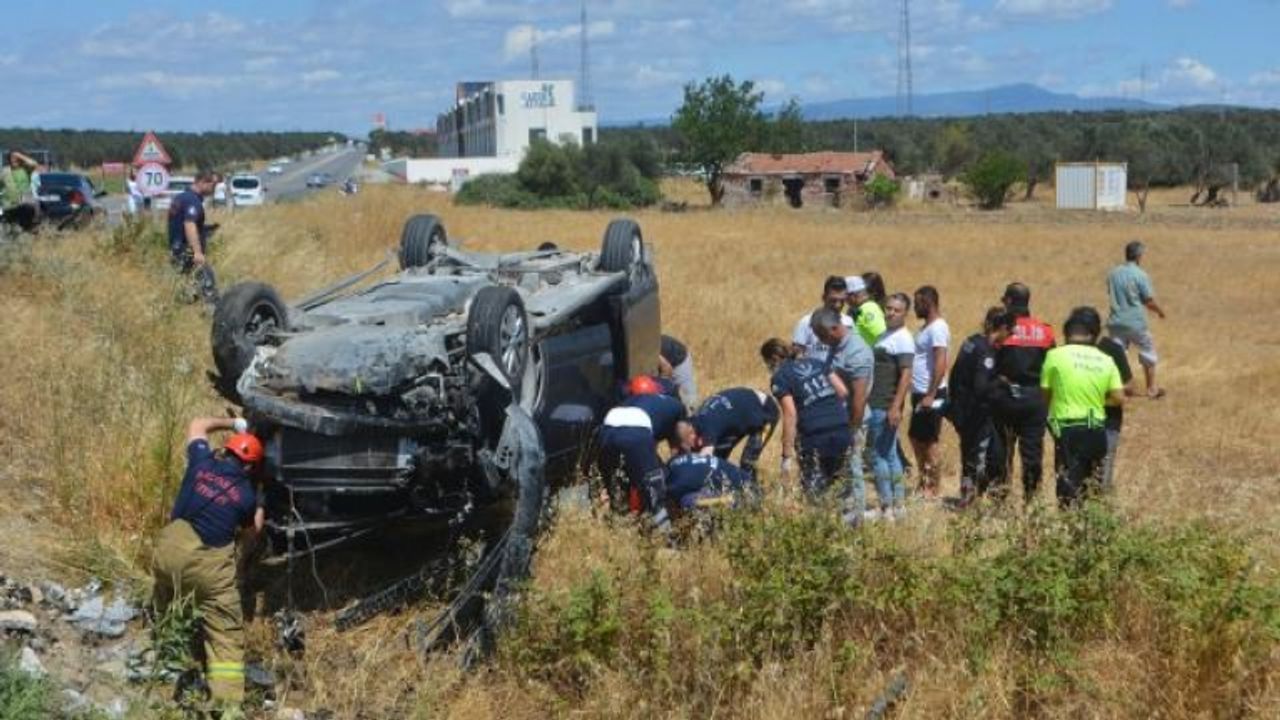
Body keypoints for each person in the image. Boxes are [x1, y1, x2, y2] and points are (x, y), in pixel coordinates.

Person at [152, 416, 264, 709]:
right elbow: (253, 532)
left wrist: (233, 422)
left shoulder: (201, 462)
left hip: (167, 553)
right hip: (207, 568)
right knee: (225, 632)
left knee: (166, 596)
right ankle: (226, 706)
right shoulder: (246, 496)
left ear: (225, 450)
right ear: (250, 468)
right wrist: (261, 502)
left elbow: (197, 425)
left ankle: (163, 660)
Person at [1041, 307, 1126, 506]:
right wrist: (1097, 400)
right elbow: (1119, 398)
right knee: (1093, 487)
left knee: (1068, 487)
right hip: (1096, 430)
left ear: (1067, 331)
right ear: (1094, 333)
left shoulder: (1054, 356)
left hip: (1067, 430)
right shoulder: (1106, 359)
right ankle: (1091, 521)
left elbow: (1045, 395)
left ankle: (1069, 522)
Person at [762, 338, 850, 502]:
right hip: (842, 427)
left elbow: (790, 414)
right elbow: (843, 391)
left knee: (815, 491)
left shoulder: (780, 377)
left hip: (814, 435)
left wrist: (786, 455)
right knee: (842, 486)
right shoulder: (817, 362)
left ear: (773, 359)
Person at [990, 282, 1055, 502]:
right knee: (1032, 455)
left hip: (1004, 398)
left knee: (1000, 452)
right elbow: (1052, 366)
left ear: (1009, 301)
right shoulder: (1045, 331)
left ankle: (999, 500)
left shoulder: (1002, 330)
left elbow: (989, 362)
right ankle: (1031, 501)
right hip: (1035, 400)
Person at [597, 375, 687, 530]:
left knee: (616, 489)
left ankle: (618, 530)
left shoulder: (630, 401)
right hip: (637, 432)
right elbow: (677, 451)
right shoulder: (675, 407)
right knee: (654, 491)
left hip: (607, 428)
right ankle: (665, 537)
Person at [812, 307, 874, 526]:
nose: (820, 341)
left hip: (853, 420)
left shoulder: (857, 353)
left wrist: (852, 429)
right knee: (841, 467)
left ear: (834, 329)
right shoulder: (837, 345)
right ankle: (843, 511)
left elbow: (859, 398)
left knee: (853, 466)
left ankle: (856, 517)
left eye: (822, 336)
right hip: (837, 418)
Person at [946, 307, 1014, 504]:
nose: (1010, 336)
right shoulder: (986, 352)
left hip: (963, 411)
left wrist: (954, 406)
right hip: (976, 414)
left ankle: (966, 496)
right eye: (1010, 331)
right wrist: (1001, 381)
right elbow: (981, 387)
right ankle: (971, 500)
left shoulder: (970, 342)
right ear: (1002, 328)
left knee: (968, 455)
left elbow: (954, 375)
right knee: (979, 457)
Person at [865, 293, 914, 518]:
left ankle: (887, 506)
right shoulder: (885, 335)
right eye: (889, 308)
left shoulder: (903, 338)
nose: (891, 313)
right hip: (877, 401)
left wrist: (895, 406)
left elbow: (906, 375)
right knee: (890, 454)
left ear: (905, 314)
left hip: (883, 403)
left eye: (897, 310)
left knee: (877, 455)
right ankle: (898, 506)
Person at [675, 387, 779, 483]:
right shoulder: (693, 422)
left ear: (692, 435)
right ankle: (723, 487)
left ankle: (752, 491)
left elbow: (704, 463)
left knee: (747, 461)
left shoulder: (708, 424)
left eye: (691, 446)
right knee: (719, 457)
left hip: (765, 411)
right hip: (741, 414)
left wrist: (689, 481)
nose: (693, 449)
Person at [1107, 240, 1167, 399]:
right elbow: (1148, 301)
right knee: (1148, 352)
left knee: (1118, 355)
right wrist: (1160, 312)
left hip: (1116, 322)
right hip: (1136, 322)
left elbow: (1111, 294)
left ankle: (1118, 387)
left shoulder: (1113, 273)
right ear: (1139, 256)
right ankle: (1151, 389)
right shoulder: (1141, 275)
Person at [1083, 306, 1135, 491]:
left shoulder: (1111, 349)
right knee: (1088, 474)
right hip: (1086, 420)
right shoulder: (1073, 350)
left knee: (1098, 473)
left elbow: (1129, 386)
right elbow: (1129, 387)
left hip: (1102, 420)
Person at [908, 286, 950, 498]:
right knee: (916, 438)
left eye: (917, 304)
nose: (915, 308)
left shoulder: (938, 328)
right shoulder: (926, 328)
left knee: (930, 442)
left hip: (930, 394)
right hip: (919, 393)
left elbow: (941, 362)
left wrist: (931, 394)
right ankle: (923, 481)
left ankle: (933, 487)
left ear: (928, 303)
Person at [167, 170, 219, 304]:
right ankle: (211, 312)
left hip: (176, 250)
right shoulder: (193, 201)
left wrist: (205, 229)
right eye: (213, 185)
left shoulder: (180, 197)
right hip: (187, 253)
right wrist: (197, 252)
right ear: (202, 182)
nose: (214, 189)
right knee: (207, 287)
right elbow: (189, 224)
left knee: (187, 289)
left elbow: (179, 224)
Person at [665, 452, 752, 512]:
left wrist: (723, 500)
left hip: (744, 495)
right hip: (744, 477)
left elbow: (690, 502)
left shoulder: (675, 487)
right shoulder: (674, 461)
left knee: (686, 503)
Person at [792, 276, 853, 360]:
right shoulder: (806, 322)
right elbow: (797, 355)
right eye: (833, 300)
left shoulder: (849, 322)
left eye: (842, 301)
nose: (838, 305)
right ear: (824, 297)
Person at [658, 334, 700, 409]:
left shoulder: (653, 353)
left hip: (678, 359)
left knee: (688, 395)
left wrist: (663, 385)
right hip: (663, 362)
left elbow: (667, 369)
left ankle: (694, 411)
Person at [847, 275, 886, 348]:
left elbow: (883, 337)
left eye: (846, 297)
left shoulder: (868, 309)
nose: (846, 301)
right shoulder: (860, 309)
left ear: (853, 295)